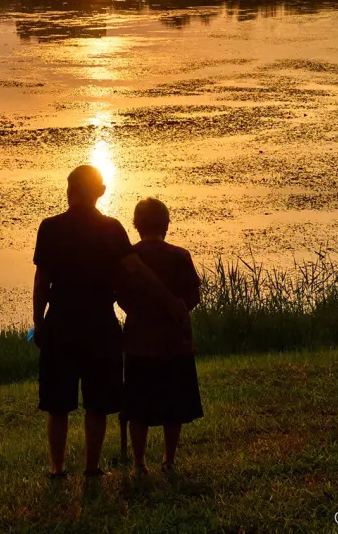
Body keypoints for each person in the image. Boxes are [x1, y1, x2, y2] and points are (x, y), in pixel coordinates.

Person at [32, 165, 132, 479]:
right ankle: (92, 467)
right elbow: (126, 276)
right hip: (100, 322)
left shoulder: (49, 227)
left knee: (58, 403)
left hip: (60, 321)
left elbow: (41, 281)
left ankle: (57, 468)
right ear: (98, 192)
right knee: (98, 402)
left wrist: (38, 322)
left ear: (71, 190)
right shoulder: (113, 228)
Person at [118, 197, 203, 475]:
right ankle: (169, 458)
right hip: (175, 343)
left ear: (136, 225)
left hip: (139, 343)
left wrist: (141, 312)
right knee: (174, 405)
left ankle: (140, 461)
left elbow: (121, 297)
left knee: (138, 406)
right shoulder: (180, 256)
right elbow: (193, 296)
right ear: (166, 224)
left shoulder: (129, 257)